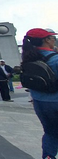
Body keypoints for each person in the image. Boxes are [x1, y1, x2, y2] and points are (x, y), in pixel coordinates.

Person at [21, 28, 58, 159]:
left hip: (40, 103)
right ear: (46, 40)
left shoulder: (28, 59)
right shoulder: (55, 59)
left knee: (50, 133)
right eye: (52, 38)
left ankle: (48, 156)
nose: (54, 40)